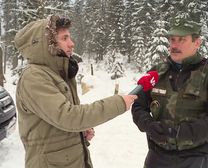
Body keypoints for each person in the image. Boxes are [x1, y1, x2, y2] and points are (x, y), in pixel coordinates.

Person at [14, 15, 137, 168]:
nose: (72, 44)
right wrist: (118, 103)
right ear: (45, 44)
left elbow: (54, 124)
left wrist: (79, 132)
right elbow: (68, 116)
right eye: (64, 38)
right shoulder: (34, 78)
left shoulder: (58, 73)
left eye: (70, 37)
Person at [131, 15, 208, 168]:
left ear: (197, 42)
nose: (175, 45)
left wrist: (179, 133)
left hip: (193, 159)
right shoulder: (157, 72)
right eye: (172, 39)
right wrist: (149, 125)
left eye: (182, 39)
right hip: (157, 156)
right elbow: (138, 104)